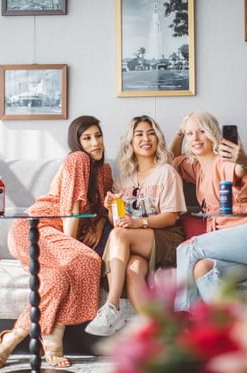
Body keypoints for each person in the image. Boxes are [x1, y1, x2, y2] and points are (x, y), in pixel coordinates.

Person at [0, 116, 113, 368]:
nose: (95, 143)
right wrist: (70, 248)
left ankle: (13, 339)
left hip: (56, 239)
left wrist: (99, 226)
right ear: (76, 143)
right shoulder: (78, 159)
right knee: (85, 260)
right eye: (86, 138)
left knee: (57, 280)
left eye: (98, 136)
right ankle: (50, 340)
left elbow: (103, 209)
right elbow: (71, 207)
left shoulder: (105, 171)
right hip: (36, 229)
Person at [169, 112, 247, 311]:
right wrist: (180, 133)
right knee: (202, 269)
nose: (195, 138)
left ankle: (183, 323)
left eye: (201, 131)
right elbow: (171, 162)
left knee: (187, 249)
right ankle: (235, 330)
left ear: (213, 133)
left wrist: (242, 162)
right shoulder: (196, 167)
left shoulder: (224, 161)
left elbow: (238, 173)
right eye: (190, 134)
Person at [85, 115, 187, 336]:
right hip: (135, 241)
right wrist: (111, 208)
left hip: (166, 237)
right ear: (130, 142)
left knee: (119, 235)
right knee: (134, 269)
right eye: (139, 134)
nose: (146, 139)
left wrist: (137, 222)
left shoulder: (166, 172)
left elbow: (171, 217)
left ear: (158, 139)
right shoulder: (124, 178)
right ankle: (160, 334)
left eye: (151, 133)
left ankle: (112, 306)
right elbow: (118, 222)